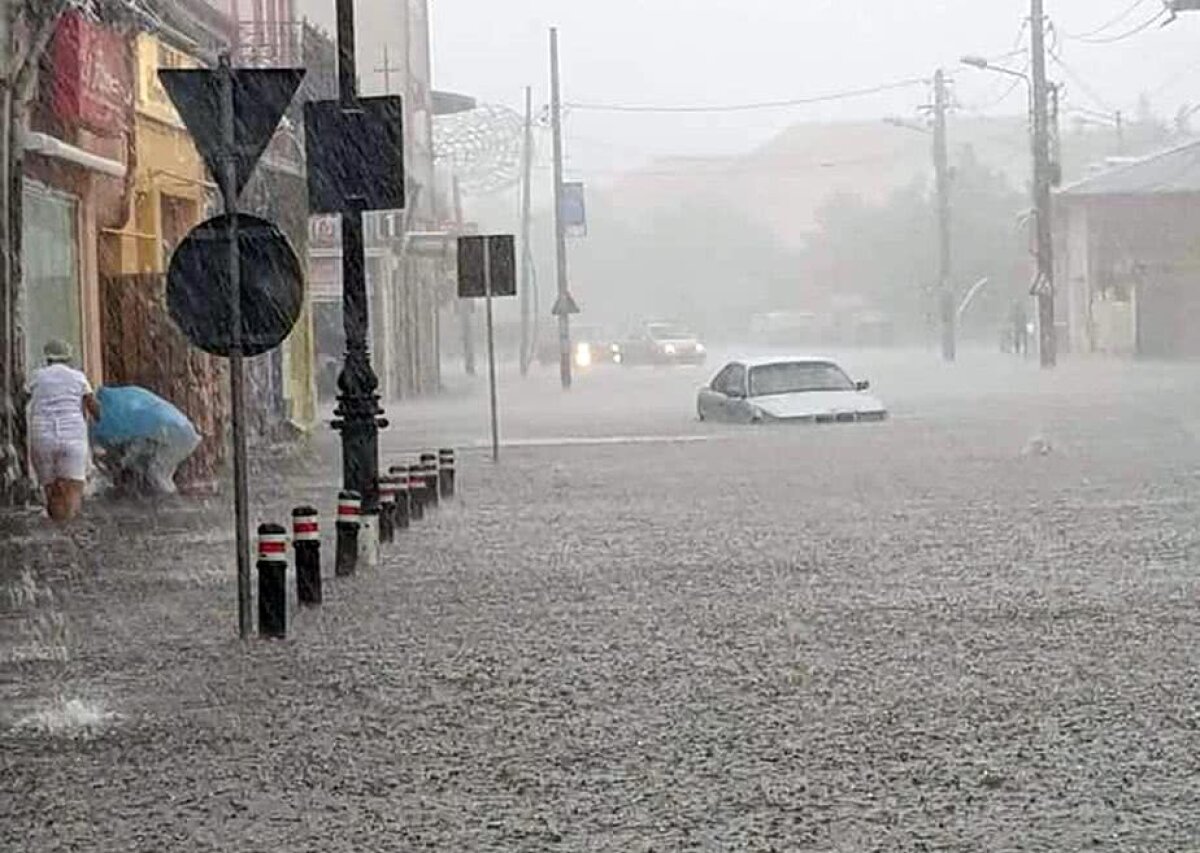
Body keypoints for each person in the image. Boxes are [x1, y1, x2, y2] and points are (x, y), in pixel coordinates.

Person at [27, 339, 100, 522]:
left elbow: (23, 400)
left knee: (50, 491)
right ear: (68, 358)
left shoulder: (37, 376)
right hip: (73, 438)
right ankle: (69, 534)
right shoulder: (78, 377)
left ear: (48, 358)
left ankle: (54, 530)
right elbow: (95, 409)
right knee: (73, 492)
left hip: (42, 437)